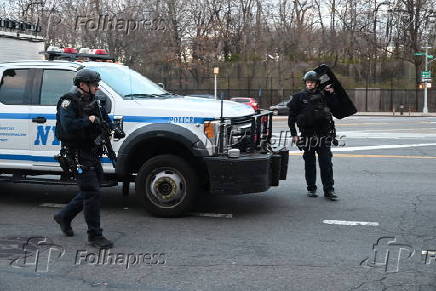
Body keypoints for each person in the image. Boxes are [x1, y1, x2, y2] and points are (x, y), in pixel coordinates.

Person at [53, 68, 120, 248]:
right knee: (92, 193)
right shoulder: (69, 101)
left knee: (92, 189)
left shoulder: (94, 101)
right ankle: (95, 236)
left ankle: (64, 216)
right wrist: (88, 121)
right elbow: (68, 127)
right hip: (77, 153)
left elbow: (104, 118)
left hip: (91, 151)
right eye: (94, 85)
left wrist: (113, 127)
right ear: (83, 85)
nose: (97, 88)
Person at [287, 70, 339, 201]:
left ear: (317, 83)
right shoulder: (298, 97)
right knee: (309, 163)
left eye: (312, 82)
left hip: (323, 135)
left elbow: (336, 107)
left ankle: (329, 190)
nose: (310, 84)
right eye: (308, 82)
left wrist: (332, 93)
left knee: (326, 163)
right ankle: (311, 188)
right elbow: (291, 118)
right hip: (307, 135)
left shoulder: (324, 96)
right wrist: (294, 134)